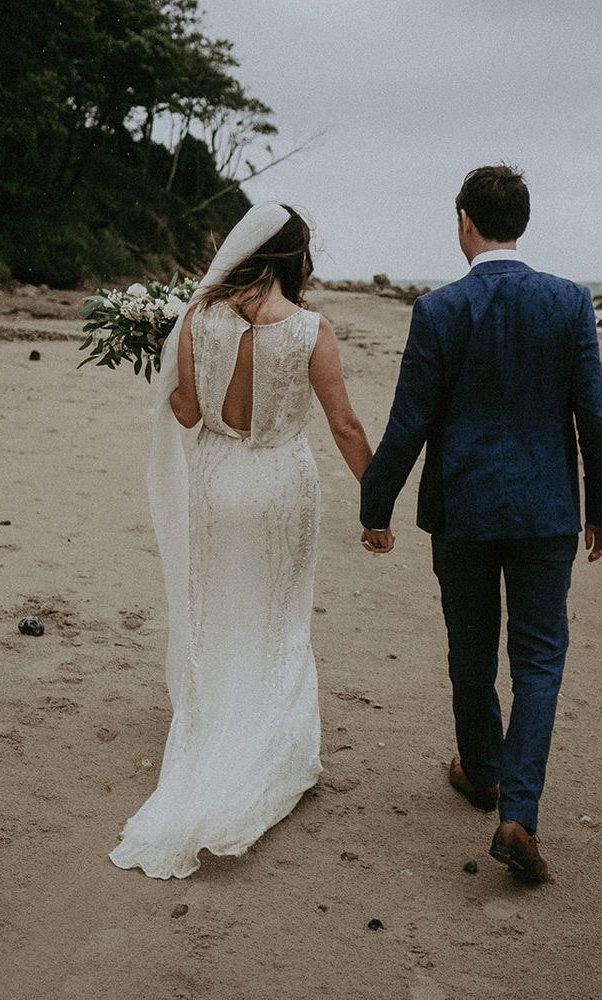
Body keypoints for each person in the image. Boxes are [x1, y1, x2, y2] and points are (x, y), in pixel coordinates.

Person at [360, 165, 602, 883]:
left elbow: (409, 421)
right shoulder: (569, 303)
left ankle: (481, 771)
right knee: (539, 659)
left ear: (465, 223)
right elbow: (591, 416)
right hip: (545, 513)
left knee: (470, 649)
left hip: (465, 511)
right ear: (521, 223)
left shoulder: (439, 309)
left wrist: (375, 506)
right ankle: (518, 813)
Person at [109, 203, 379, 879]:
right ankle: (276, 751)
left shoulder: (198, 319)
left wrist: (170, 359)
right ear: (296, 257)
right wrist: (376, 499)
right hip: (281, 482)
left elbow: (187, 412)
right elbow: (344, 425)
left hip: (217, 477)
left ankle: (215, 728)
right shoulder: (312, 330)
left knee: (219, 608)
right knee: (279, 614)